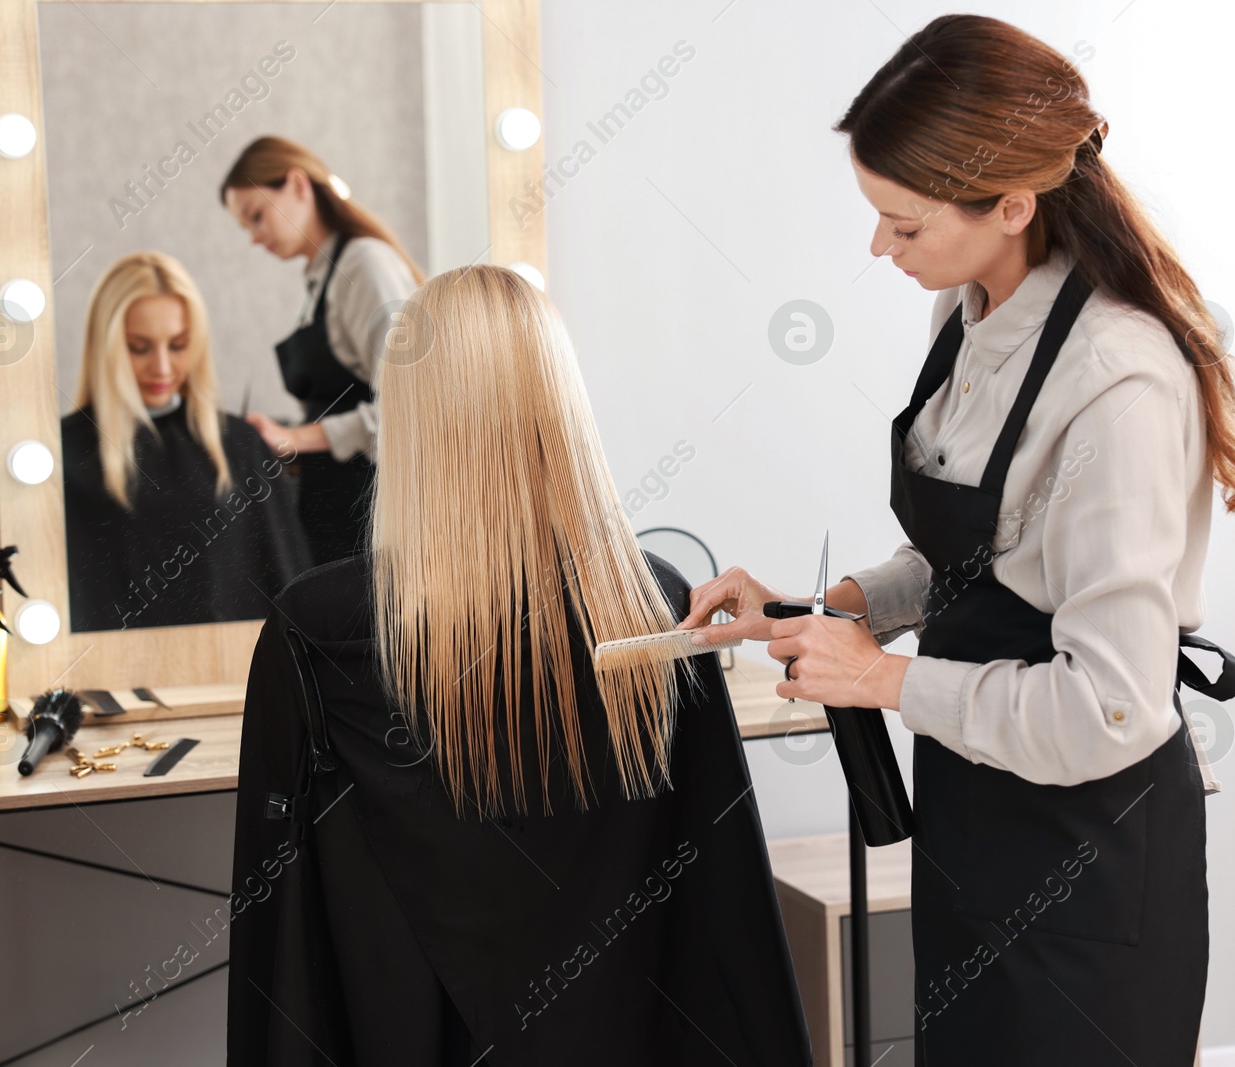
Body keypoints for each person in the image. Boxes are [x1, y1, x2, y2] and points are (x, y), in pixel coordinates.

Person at [680, 15, 1235, 1066]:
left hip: (1086, 858)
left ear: (1010, 204)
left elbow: (1107, 706)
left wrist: (883, 682)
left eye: (903, 226)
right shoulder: (971, 312)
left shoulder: (1117, 384)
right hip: (976, 822)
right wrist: (834, 609)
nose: (879, 248)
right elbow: (982, 554)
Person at [227, 265, 812, 1067]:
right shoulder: (650, 601)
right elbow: (723, 904)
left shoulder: (319, 627)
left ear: (410, 409)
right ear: (559, 402)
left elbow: (281, 933)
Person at [61, 251, 312, 631]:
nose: (162, 367)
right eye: (139, 347)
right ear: (106, 346)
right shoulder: (60, 453)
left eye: (177, 345)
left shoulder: (240, 447)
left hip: (230, 677)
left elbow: (289, 588)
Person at [219, 135, 423, 565]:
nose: (254, 238)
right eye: (245, 227)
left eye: (256, 217)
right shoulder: (319, 279)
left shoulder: (363, 266)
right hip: (335, 512)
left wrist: (295, 438)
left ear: (297, 184)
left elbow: (413, 410)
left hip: (375, 518)